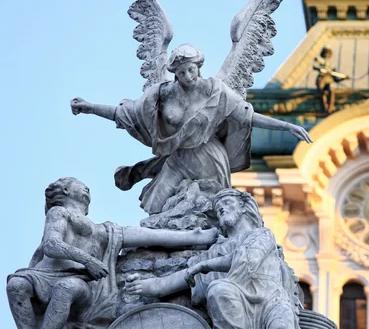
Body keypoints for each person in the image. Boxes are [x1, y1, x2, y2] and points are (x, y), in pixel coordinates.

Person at [71, 44, 312, 214]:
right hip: (179, 158)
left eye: (191, 69)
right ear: (175, 73)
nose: (188, 76)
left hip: (209, 157)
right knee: (155, 204)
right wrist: (90, 107)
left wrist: (287, 126)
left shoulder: (216, 90)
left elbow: (246, 116)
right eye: (182, 71)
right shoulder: (162, 95)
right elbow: (127, 114)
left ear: (199, 67)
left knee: (214, 211)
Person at [6, 177, 219, 329]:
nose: (87, 188)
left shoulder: (104, 230)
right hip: (45, 276)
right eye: (80, 184)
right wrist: (89, 261)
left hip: (81, 288)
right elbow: (52, 245)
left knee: (67, 287)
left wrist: (194, 237)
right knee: (16, 285)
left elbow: (148, 236)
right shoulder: (59, 212)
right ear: (67, 191)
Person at [125, 188, 300, 329]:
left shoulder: (262, 235)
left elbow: (246, 258)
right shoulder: (215, 252)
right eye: (217, 208)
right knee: (218, 288)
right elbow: (166, 285)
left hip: (272, 304)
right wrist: (142, 285)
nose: (221, 208)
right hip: (235, 306)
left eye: (227, 202)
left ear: (244, 207)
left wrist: (204, 266)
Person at [312, 45, 348, 114]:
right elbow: (314, 66)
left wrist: (344, 78)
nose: (326, 55)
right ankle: (324, 109)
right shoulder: (320, 62)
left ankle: (329, 109)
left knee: (331, 90)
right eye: (325, 53)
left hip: (329, 80)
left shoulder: (332, 66)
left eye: (328, 53)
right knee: (322, 92)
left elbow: (336, 78)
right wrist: (322, 69)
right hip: (322, 79)